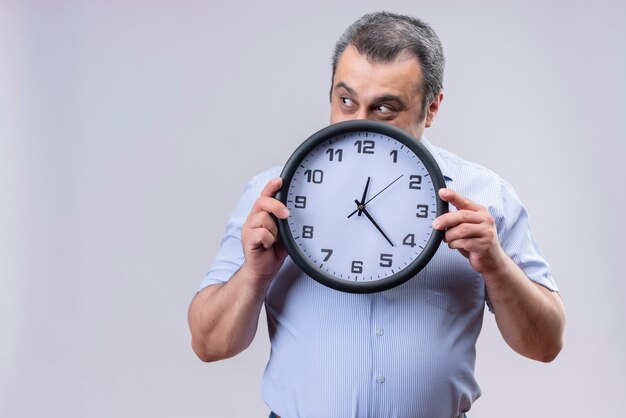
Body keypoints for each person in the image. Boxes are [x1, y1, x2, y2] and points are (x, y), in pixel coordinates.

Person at [188, 11, 565, 418]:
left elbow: (545, 344)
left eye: (385, 108)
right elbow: (209, 345)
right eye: (346, 101)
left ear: (432, 108)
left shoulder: (484, 196)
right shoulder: (271, 196)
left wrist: (496, 266)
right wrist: (254, 274)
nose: (360, 124)